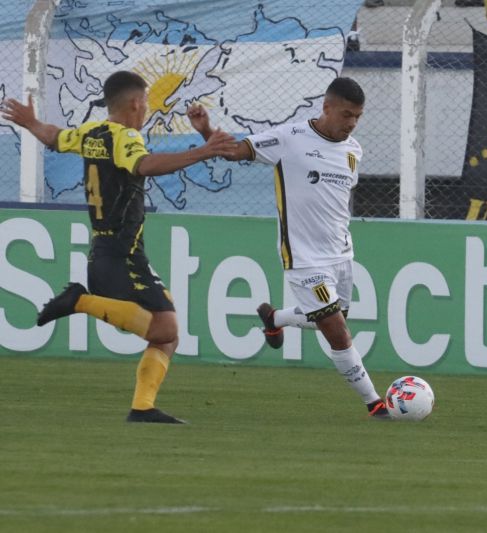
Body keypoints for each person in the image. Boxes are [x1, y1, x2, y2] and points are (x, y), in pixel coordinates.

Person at [0, 71, 236, 424]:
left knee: (167, 334)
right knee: (166, 331)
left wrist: (32, 122)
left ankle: (143, 407)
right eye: (146, 106)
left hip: (114, 253)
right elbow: (145, 165)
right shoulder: (125, 136)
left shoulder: (91, 133)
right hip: (120, 255)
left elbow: (54, 138)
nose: (146, 113)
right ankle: (80, 300)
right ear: (136, 104)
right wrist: (202, 151)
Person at [187, 77, 390, 419]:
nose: (352, 123)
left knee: (330, 319)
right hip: (303, 258)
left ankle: (274, 317)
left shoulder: (353, 150)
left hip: (341, 256)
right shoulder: (290, 139)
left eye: (358, 116)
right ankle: (375, 403)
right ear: (326, 108)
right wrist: (206, 131)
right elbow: (237, 151)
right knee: (337, 332)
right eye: (346, 114)